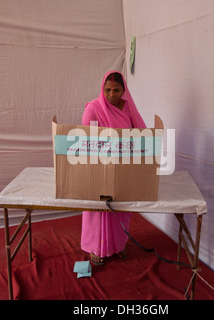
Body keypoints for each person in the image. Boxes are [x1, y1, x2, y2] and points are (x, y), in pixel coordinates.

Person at [81, 71, 147, 266]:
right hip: (99, 167)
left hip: (124, 167)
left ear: (124, 90)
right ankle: (96, 248)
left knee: (120, 208)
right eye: (108, 90)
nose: (112, 94)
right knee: (99, 209)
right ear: (102, 89)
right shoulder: (93, 108)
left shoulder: (128, 107)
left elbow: (140, 133)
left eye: (117, 90)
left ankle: (118, 245)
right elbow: (87, 141)